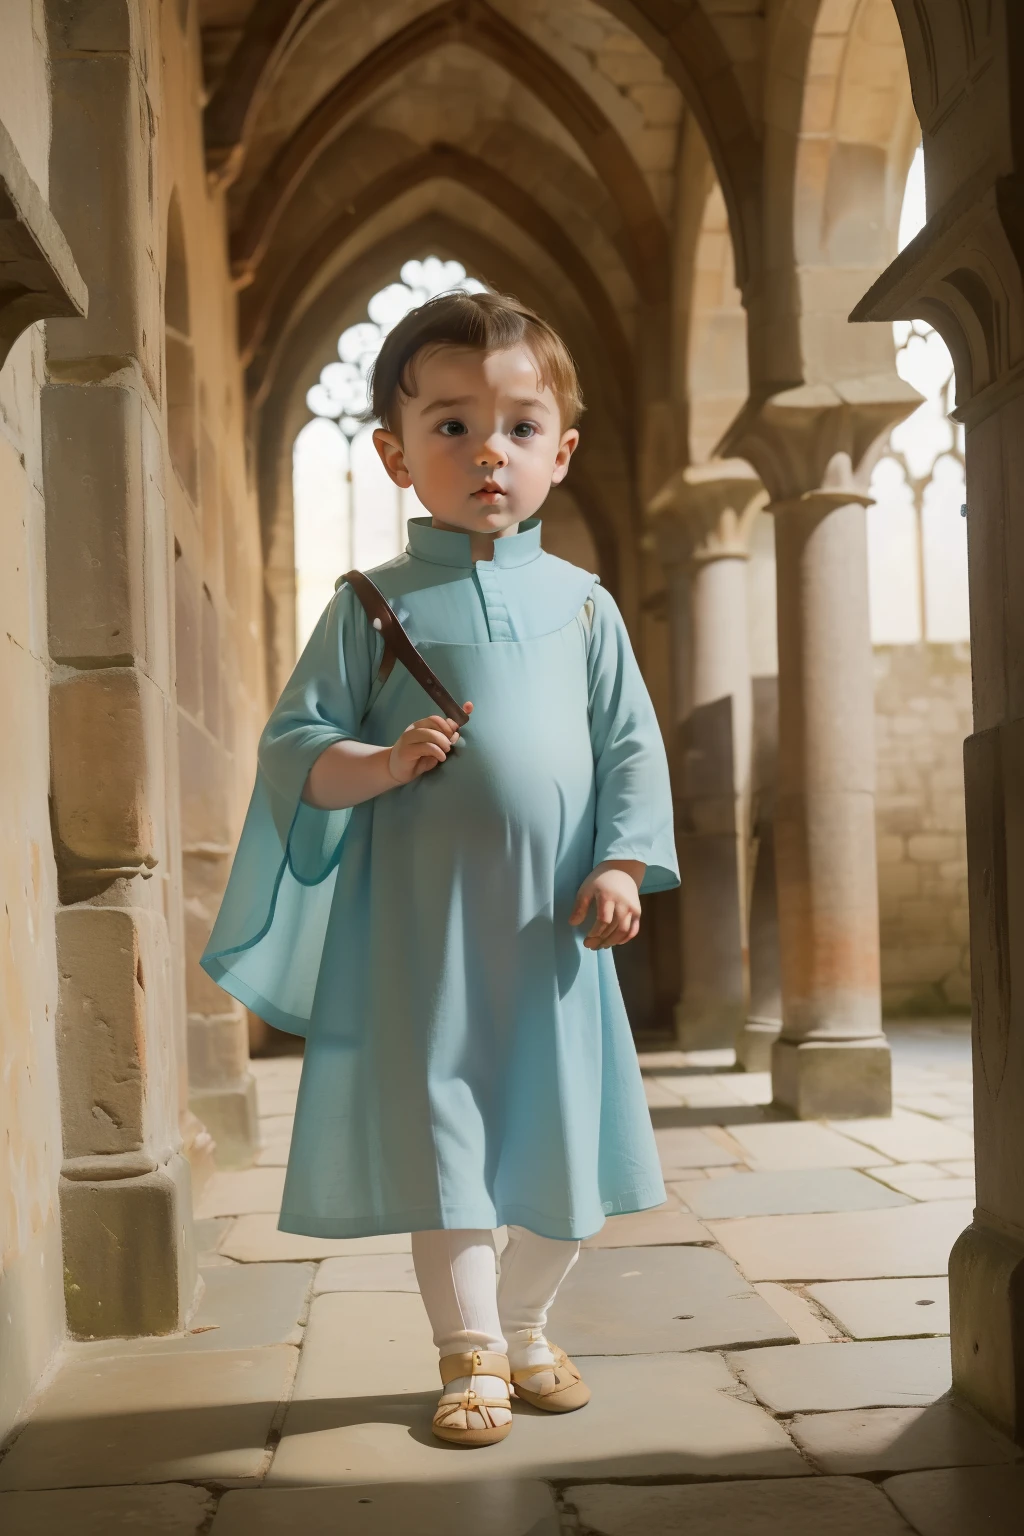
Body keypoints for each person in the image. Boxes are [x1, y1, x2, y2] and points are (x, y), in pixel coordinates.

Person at [202, 290, 678, 1447]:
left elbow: (630, 749)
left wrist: (620, 863)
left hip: (556, 938)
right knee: (449, 1143)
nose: (487, 454)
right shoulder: (369, 606)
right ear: (394, 455)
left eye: (518, 426)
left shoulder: (584, 609)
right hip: (423, 941)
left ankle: (527, 1325)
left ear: (560, 452)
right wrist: (378, 760)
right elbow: (295, 752)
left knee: (569, 1147)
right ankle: (466, 1354)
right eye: (452, 426)